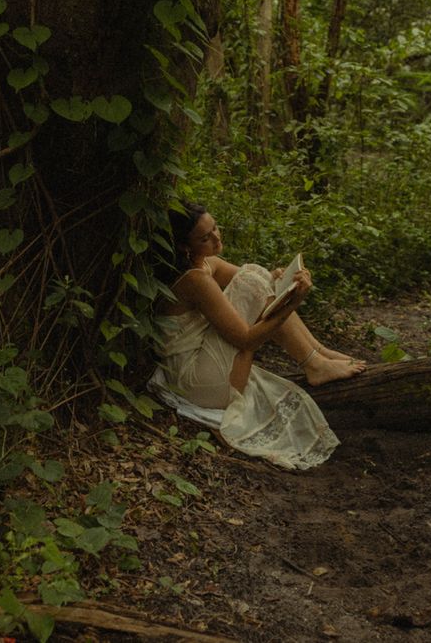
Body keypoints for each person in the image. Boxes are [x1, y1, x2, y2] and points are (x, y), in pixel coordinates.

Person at [154, 201, 366, 470]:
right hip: (196, 382)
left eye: (215, 228)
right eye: (205, 238)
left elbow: (259, 283)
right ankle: (314, 363)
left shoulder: (208, 264)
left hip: (202, 365)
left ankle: (318, 353)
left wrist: (278, 282)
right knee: (253, 280)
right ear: (185, 247)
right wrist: (294, 301)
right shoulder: (194, 279)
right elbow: (247, 340)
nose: (216, 237)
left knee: (258, 276)